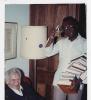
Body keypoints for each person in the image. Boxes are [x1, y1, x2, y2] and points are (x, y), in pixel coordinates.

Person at [45, 16, 87, 100]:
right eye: (65, 27)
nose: (68, 29)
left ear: (76, 26)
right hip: (59, 81)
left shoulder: (85, 43)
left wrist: (80, 80)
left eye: (70, 26)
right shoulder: (61, 42)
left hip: (75, 82)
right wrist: (51, 39)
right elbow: (47, 53)